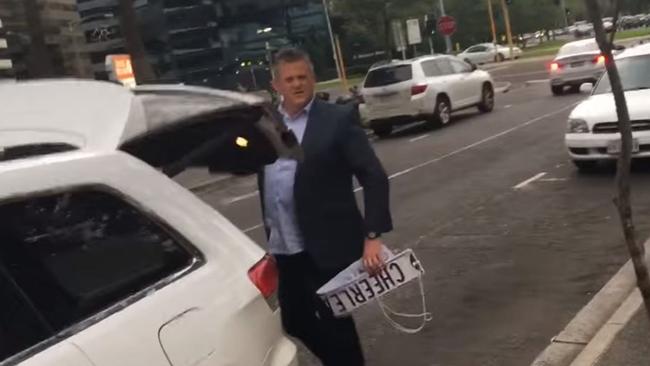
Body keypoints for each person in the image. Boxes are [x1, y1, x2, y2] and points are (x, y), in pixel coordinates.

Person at [258, 47, 392, 365]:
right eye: (289, 79)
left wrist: (373, 235)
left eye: (303, 77)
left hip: (328, 244)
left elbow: (374, 177)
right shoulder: (266, 126)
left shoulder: (337, 120)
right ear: (276, 85)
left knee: (336, 322)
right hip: (285, 246)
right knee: (294, 319)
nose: (297, 84)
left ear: (313, 79)